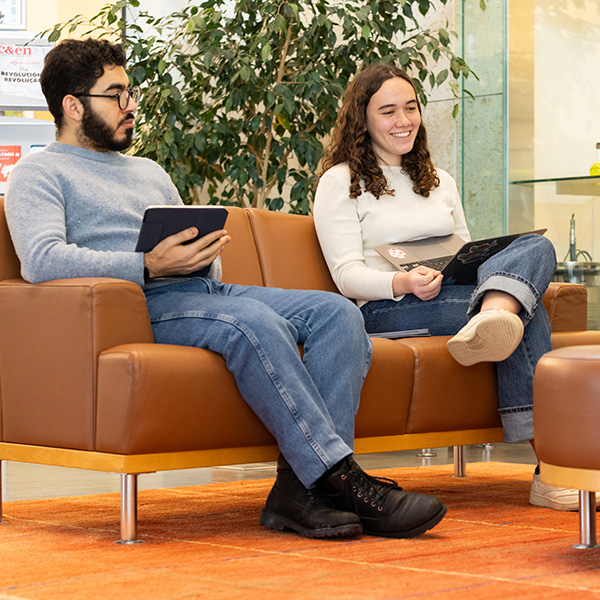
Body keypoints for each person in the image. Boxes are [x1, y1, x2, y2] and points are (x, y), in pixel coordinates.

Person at [5, 40, 448, 538]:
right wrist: (147, 264)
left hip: (201, 292)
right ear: (73, 104)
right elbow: (41, 260)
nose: (131, 106)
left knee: (337, 313)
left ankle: (295, 494)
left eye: (131, 92)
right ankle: (340, 479)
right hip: (133, 304)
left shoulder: (148, 171)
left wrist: (200, 254)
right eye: (117, 95)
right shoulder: (38, 173)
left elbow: (200, 263)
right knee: (254, 323)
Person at [313, 62, 579, 512]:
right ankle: (552, 469)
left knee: (535, 247)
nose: (404, 121)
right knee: (528, 313)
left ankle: (495, 313)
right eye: (389, 111)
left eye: (411, 108)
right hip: (388, 308)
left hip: (455, 294)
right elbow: (346, 276)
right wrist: (403, 281)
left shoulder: (439, 181)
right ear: (363, 119)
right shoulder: (340, 182)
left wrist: (472, 264)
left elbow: (467, 249)